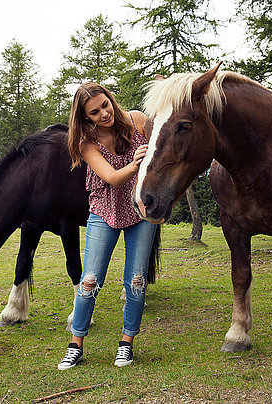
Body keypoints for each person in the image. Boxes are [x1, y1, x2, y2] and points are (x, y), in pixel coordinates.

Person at [58, 82, 158, 370]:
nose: (104, 113)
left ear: (111, 100)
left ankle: (126, 344)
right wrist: (136, 163)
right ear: (84, 117)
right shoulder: (85, 142)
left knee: (136, 280)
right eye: (95, 111)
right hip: (105, 211)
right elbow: (112, 177)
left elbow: (164, 150)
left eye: (105, 105)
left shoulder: (136, 121)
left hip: (140, 210)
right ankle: (75, 345)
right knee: (89, 280)